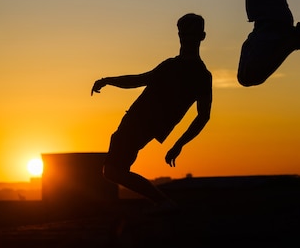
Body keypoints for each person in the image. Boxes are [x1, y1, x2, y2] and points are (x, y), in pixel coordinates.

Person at [91, 13, 212, 210]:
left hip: (139, 122)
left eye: (188, 35)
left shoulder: (190, 71)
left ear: (200, 37)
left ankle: (164, 203)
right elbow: (203, 116)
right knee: (113, 170)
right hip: (142, 122)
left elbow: (203, 116)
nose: (186, 39)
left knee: (112, 171)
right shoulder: (189, 71)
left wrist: (179, 144)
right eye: (184, 35)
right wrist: (178, 144)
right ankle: (163, 203)